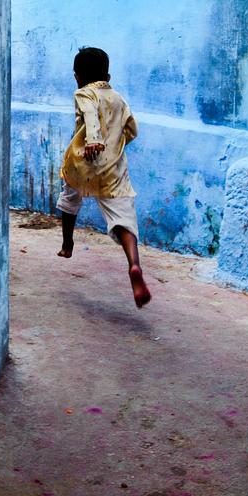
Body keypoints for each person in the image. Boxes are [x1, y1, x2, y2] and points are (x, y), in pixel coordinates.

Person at [56, 47, 151, 307]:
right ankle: (133, 264)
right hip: (112, 167)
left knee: (70, 195)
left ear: (77, 76)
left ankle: (67, 243)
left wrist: (94, 139)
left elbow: (89, 113)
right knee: (122, 216)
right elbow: (132, 128)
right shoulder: (119, 98)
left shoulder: (83, 92)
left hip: (83, 162)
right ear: (108, 76)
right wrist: (115, 144)